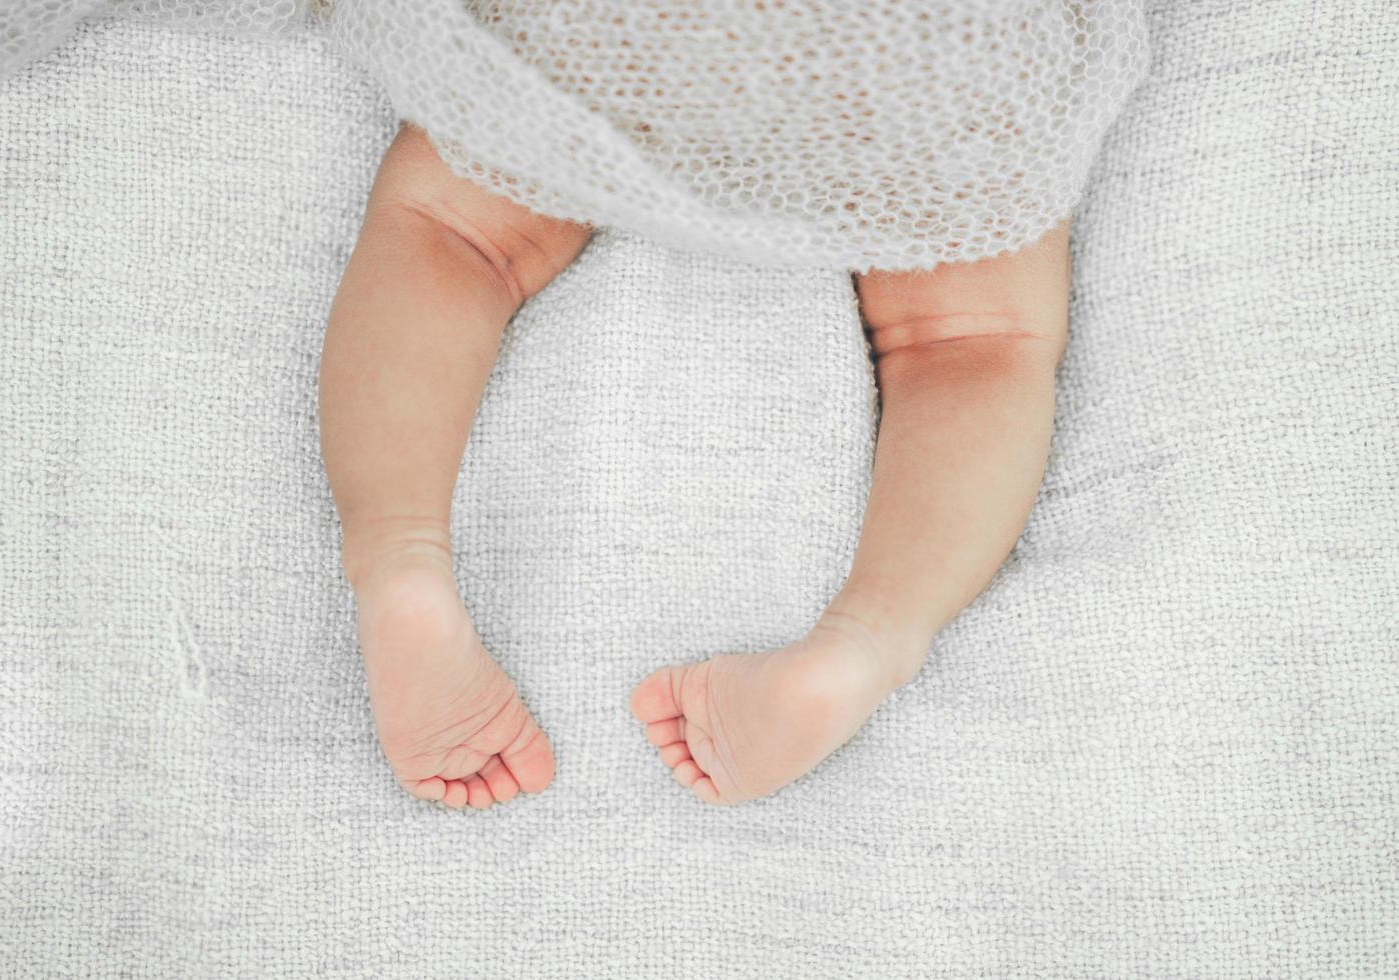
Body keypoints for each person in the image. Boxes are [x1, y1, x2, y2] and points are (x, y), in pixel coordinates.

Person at [320, 123, 1071, 807]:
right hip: (928, 49)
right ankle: (866, 643)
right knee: (967, 343)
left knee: (455, 234)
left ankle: (401, 556)